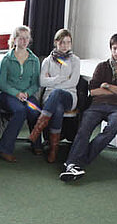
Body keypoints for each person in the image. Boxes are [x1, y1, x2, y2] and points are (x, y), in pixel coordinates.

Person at [60, 32, 117, 183]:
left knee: (111, 128)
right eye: (114, 48)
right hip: (97, 105)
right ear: (111, 48)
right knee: (84, 129)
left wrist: (108, 86)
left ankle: (79, 161)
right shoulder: (102, 67)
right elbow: (93, 91)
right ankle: (72, 163)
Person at [28, 28, 80, 163]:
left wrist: (52, 81)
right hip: (50, 98)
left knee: (56, 94)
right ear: (56, 42)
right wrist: (60, 79)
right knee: (57, 108)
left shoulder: (75, 60)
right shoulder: (48, 60)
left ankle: (38, 129)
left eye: (68, 42)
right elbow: (42, 81)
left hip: (69, 96)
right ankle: (53, 149)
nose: (65, 45)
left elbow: (73, 82)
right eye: (62, 42)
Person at [0, 25, 41, 162]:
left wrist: (26, 93)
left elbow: (36, 84)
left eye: (27, 38)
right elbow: (1, 84)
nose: (24, 41)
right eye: (21, 38)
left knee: (34, 110)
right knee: (20, 111)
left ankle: (36, 143)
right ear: (14, 40)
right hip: (8, 95)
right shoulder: (7, 59)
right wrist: (16, 94)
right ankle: (4, 149)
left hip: (27, 96)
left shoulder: (34, 60)